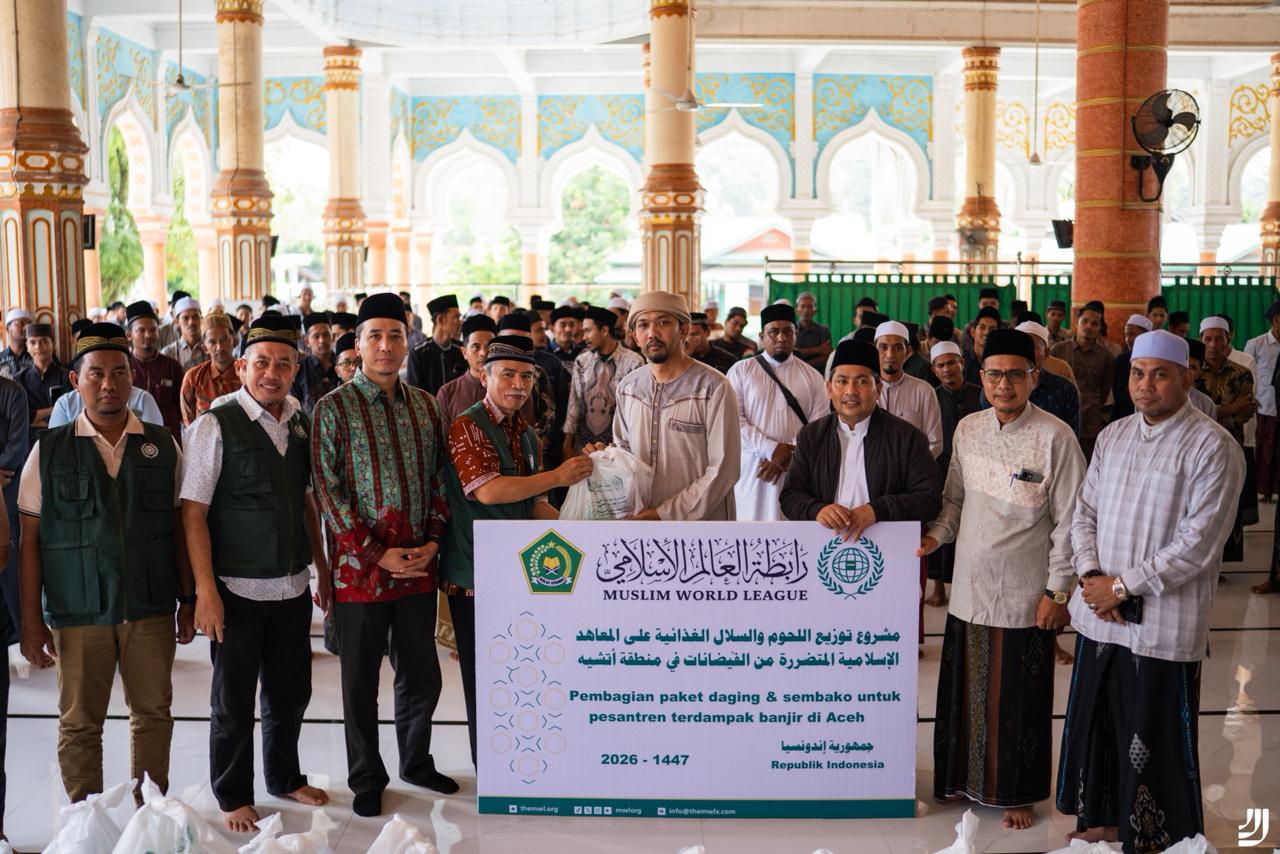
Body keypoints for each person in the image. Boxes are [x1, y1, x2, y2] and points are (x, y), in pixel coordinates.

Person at [1056, 330, 1244, 853]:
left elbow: (1198, 545)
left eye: (1160, 375)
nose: (1146, 385)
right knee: (1103, 723)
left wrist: (1119, 587)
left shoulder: (1213, 446)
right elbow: (1083, 514)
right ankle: (1105, 820)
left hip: (1163, 620)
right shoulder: (1113, 436)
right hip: (1101, 614)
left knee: (1153, 730)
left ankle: (1157, 830)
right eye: (1138, 374)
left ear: (1186, 378)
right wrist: (1092, 576)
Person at [17, 323, 195, 803]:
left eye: (119, 373)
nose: (108, 384)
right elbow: (30, 541)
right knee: (79, 722)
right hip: (78, 611)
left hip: (149, 606)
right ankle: (84, 817)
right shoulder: (49, 451)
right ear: (77, 381)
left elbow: (180, 529)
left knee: (153, 714)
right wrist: (31, 622)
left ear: (133, 379)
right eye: (96, 374)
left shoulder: (161, 445)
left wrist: (189, 599)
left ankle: (150, 812)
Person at [920, 329, 1085, 831]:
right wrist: (933, 538)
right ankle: (961, 781)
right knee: (964, 693)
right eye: (994, 374)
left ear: (1035, 377)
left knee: (1017, 700)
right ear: (982, 376)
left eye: (1016, 374)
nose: (1004, 385)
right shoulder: (968, 429)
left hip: (1024, 593)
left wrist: (1058, 591)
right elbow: (954, 499)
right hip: (970, 586)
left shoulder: (1055, 437)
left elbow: (1072, 523)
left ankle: (1018, 794)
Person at [180, 314, 330, 832]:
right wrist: (205, 590)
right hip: (235, 588)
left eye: (283, 364)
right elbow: (193, 512)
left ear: (296, 369)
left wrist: (321, 569)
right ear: (242, 366)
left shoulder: (300, 421)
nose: (272, 373)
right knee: (233, 701)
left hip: (291, 585)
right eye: (262, 362)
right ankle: (232, 794)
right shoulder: (214, 424)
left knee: (290, 693)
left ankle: (284, 777)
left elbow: (307, 502)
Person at [311, 293, 457, 817]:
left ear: (407, 341)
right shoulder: (333, 408)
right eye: (375, 335)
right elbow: (328, 494)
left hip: (417, 565)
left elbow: (440, 478)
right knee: (359, 682)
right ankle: (367, 777)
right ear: (358, 343)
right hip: (360, 573)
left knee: (421, 675)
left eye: (395, 335)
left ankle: (415, 762)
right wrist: (377, 553)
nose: (386, 345)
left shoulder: (426, 406)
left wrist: (434, 541)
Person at [441, 335, 593, 763]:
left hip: (517, 574)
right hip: (474, 574)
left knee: (516, 671)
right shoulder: (468, 426)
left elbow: (534, 504)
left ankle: (518, 761)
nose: (518, 385)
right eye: (507, 374)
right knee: (481, 676)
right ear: (484, 376)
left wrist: (585, 530)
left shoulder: (525, 434)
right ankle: (487, 765)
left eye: (526, 377)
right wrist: (559, 477)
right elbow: (488, 491)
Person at [780, 337, 939, 537]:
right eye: (842, 381)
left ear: (878, 389)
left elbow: (929, 500)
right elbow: (790, 496)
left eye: (862, 381)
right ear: (829, 389)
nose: (851, 391)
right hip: (825, 544)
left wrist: (877, 511)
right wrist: (817, 510)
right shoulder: (811, 436)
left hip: (886, 545)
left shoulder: (907, 437)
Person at [613, 292, 740, 521]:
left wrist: (663, 514)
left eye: (663, 322)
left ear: (683, 330)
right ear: (635, 336)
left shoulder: (713, 387)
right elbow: (624, 452)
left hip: (702, 528)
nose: (652, 333)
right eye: (643, 325)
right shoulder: (628, 388)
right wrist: (604, 458)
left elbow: (723, 470)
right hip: (640, 523)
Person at [727, 303, 828, 521]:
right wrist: (770, 449)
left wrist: (790, 451)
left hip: (797, 470)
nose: (781, 338)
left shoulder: (812, 377)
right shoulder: (741, 371)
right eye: (774, 332)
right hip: (753, 471)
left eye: (787, 331)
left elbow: (819, 424)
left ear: (795, 334)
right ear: (762, 336)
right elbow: (733, 421)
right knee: (751, 529)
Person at [924, 341, 980, 608]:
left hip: (977, 471)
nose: (947, 369)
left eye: (951, 363)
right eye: (941, 365)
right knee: (940, 525)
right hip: (941, 470)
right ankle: (938, 587)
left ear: (962, 364)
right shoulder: (931, 397)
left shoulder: (981, 395)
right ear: (934, 370)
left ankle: (968, 584)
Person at [1195, 315, 1254, 563]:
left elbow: (1245, 414)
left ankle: (1223, 560)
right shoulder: (1192, 374)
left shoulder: (1242, 374)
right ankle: (1199, 559)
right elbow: (1191, 413)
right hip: (1196, 448)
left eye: (1219, 339)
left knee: (1228, 502)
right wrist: (1231, 408)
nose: (1213, 345)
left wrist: (1213, 412)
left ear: (1228, 340)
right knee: (1199, 503)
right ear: (1201, 340)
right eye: (1208, 339)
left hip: (1231, 446)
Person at [562, 305, 643, 456]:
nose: (584, 337)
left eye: (588, 331)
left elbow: (636, 411)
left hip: (618, 448)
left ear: (604, 330)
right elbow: (574, 402)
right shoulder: (582, 361)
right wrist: (567, 443)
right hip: (583, 446)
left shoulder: (633, 362)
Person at [437, 315, 533, 425]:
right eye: (476, 347)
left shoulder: (515, 390)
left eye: (489, 347)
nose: (483, 353)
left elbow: (526, 431)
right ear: (464, 352)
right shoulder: (448, 393)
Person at [1051, 301, 1114, 460]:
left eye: (1094, 323)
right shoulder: (1058, 350)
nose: (1088, 326)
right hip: (1061, 419)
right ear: (1076, 323)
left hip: (1091, 424)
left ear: (1100, 328)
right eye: (1085, 321)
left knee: (1087, 465)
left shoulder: (1106, 357)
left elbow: (1104, 391)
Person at [874, 321, 942, 458]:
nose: (890, 354)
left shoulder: (924, 391)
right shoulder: (865, 391)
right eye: (883, 347)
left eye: (898, 348)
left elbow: (935, 442)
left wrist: (912, 468)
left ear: (908, 352)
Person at [125, 301, 186, 441]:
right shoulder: (123, 367)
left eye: (153, 330)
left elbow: (181, 407)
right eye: (141, 330)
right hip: (133, 437)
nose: (148, 335)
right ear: (129, 335)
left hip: (168, 437)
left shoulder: (172, 366)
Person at [1013, 321, 1081, 435]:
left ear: (1046, 353)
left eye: (1032, 346)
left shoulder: (1065, 389)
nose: (1024, 351)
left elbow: (1070, 437)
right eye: (1018, 345)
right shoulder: (1000, 388)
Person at [1245, 299, 1280, 507]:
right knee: (1263, 449)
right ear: (1276, 319)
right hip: (1263, 406)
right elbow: (1246, 374)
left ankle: (1275, 490)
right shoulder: (1256, 344)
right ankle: (1260, 490)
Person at [179, 314, 241, 426]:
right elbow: (190, 424)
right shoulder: (193, 377)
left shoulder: (246, 374)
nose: (219, 347)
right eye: (212, 342)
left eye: (224, 339)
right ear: (204, 348)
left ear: (234, 341)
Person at [15, 323, 70, 447]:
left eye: (44, 341)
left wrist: (33, 417)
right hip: (28, 445)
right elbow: (20, 418)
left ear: (53, 344)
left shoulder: (66, 377)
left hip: (60, 442)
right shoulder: (19, 379)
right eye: (32, 342)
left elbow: (69, 415)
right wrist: (54, 410)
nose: (38, 347)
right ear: (27, 346)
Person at [406, 294, 466, 396]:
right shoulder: (418, 353)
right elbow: (415, 394)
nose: (460, 322)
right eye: (456, 317)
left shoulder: (462, 350)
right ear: (440, 320)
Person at [290, 313, 340, 416]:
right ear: (307, 342)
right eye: (316, 336)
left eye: (326, 335)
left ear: (333, 337)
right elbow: (294, 408)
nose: (322, 340)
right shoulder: (298, 370)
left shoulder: (344, 365)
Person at [1111, 314, 1154, 421]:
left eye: (1132, 334)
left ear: (1146, 336)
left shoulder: (1156, 360)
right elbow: (1119, 393)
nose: (1127, 339)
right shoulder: (1122, 359)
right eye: (1126, 335)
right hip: (1123, 416)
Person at [160, 297, 207, 372]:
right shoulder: (168, 353)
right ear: (177, 322)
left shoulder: (212, 349)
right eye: (185, 318)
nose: (191, 322)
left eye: (195, 317)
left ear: (201, 319)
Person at [794, 291, 833, 370]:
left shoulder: (824, 331)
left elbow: (827, 356)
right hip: (794, 373)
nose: (806, 310)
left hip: (817, 374)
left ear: (815, 310)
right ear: (796, 310)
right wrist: (818, 350)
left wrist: (804, 367)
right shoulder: (791, 330)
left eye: (810, 306)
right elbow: (791, 353)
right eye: (802, 306)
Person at [963, 307, 1001, 386]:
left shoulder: (1002, 363)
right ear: (973, 332)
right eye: (982, 327)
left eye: (992, 329)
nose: (986, 332)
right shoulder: (962, 362)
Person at [0, 309, 32, 380]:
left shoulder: (39, 356)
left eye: (28, 324)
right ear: (7, 329)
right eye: (20, 324)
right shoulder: (1, 358)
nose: (25, 328)